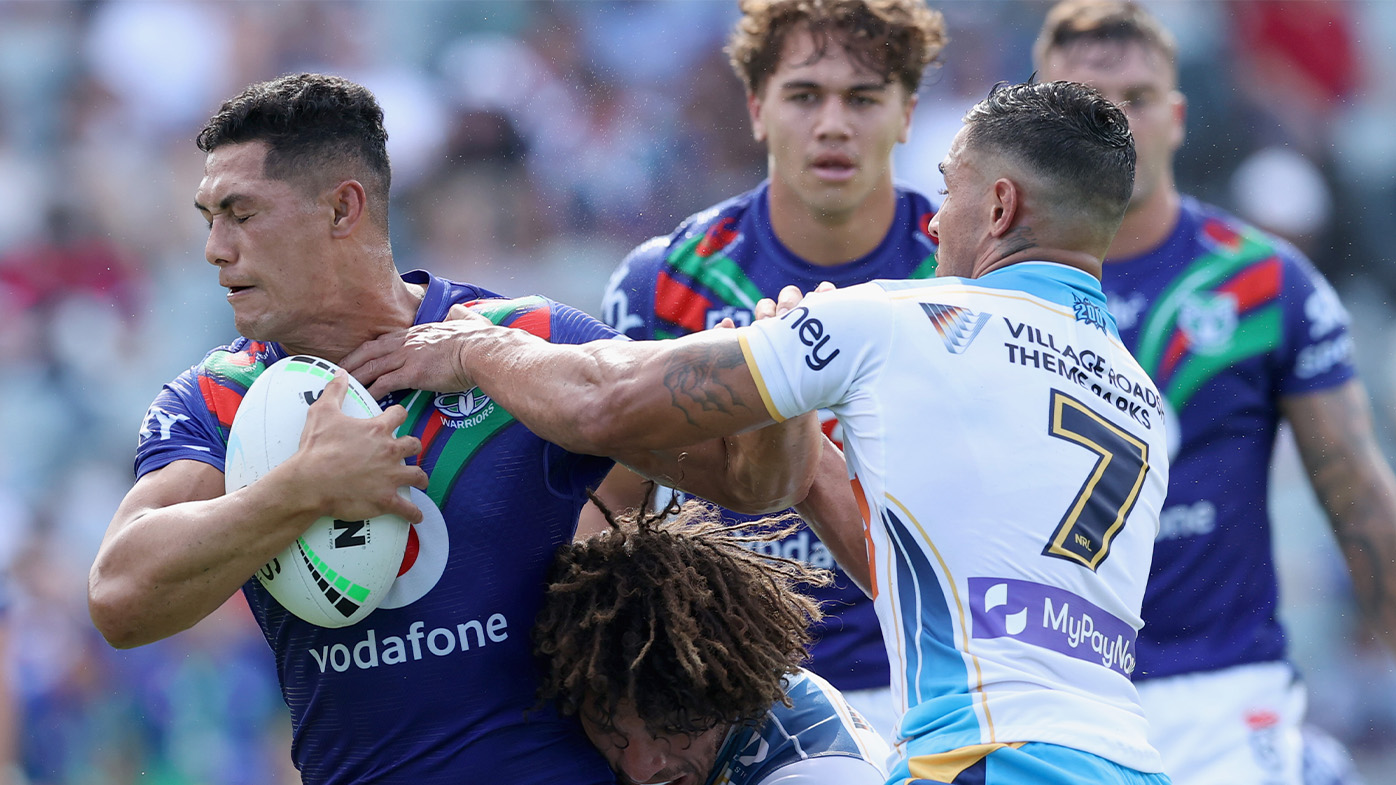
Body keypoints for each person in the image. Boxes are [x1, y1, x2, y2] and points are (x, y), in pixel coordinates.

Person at [346, 79, 1173, 784]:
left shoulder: (900, 319)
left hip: (990, 758)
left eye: (948, 189)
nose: (933, 221)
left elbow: (606, 401)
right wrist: (801, 442)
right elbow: (919, 583)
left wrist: (478, 348)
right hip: (1127, 758)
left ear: (999, 206)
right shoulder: (1135, 396)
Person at [86, 73, 828, 785]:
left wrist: (785, 388)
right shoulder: (218, 397)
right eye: (209, 218)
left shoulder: (524, 340)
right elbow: (119, 597)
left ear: (343, 208)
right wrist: (303, 487)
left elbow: (754, 483)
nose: (215, 248)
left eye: (241, 213)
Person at [1032, 3, 1396, 783]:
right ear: (1035, 125)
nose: (1114, 125)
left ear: (1177, 116)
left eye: (1136, 98)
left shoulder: (1264, 283)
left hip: (1226, 695)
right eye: (1085, 104)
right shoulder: (977, 294)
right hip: (1043, 700)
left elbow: (1361, 499)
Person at [593, 0, 946, 739]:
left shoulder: (962, 278)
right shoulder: (663, 281)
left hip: (932, 685)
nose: (833, 124)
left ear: (907, 113)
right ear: (757, 108)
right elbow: (611, 510)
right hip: (734, 700)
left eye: (863, 98)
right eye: (805, 95)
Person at [534, 492, 891, 785]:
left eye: (670, 725)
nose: (640, 769)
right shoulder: (588, 692)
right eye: (608, 727)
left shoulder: (820, 774)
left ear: (729, 693)